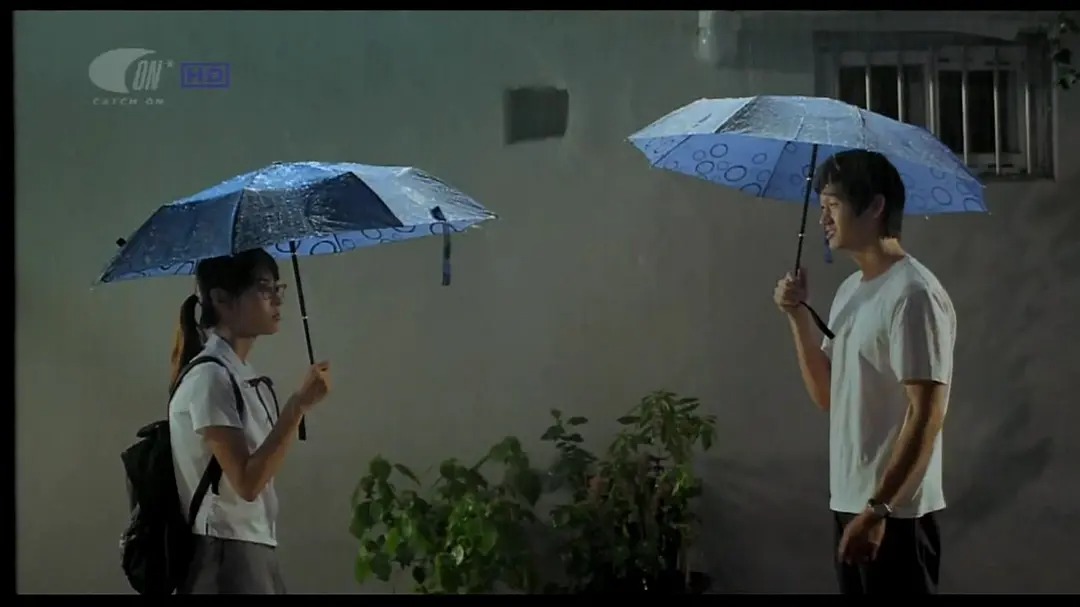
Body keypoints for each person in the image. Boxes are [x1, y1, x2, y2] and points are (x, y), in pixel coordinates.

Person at [772, 150, 955, 594]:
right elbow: (828, 396)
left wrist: (879, 510)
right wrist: (797, 317)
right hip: (851, 501)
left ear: (874, 206)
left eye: (832, 205)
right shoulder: (850, 290)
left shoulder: (914, 295)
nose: (823, 219)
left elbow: (927, 413)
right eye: (820, 207)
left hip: (896, 513)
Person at [168, 248, 332, 594]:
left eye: (277, 287)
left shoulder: (237, 373)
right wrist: (297, 406)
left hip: (250, 544)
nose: (277, 299)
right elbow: (247, 482)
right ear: (222, 299)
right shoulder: (210, 377)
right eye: (263, 287)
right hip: (227, 550)